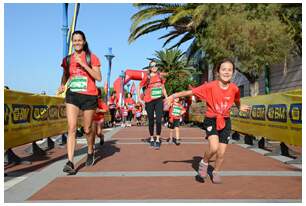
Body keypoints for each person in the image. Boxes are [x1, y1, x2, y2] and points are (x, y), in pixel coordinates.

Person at [166, 58, 250, 183]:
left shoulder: (234, 88)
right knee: (214, 148)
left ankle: (216, 172)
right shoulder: (210, 86)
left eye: (230, 70)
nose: (226, 72)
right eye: (223, 69)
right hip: (211, 120)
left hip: (225, 120)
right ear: (218, 72)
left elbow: (236, 100)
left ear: (233, 73)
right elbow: (191, 91)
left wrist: (240, 106)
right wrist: (174, 95)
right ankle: (204, 162)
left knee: (221, 153)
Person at [57, 30, 102, 175]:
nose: (77, 42)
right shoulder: (67, 59)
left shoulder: (91, 57)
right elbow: (65, 75)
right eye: (74, 40)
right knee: (71, 127)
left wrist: (84, 65)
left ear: (84, 41)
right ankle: (70, 162)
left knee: (87, 129)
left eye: (79, 40)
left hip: (89, 96)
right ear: (72, 42)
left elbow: (99, 77)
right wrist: (62, 84)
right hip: (72, 95)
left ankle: (90, 150)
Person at [137, 60, 168, 150]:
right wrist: (139, 99)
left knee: (158, 120)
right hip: (149, 101)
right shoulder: (147, 77)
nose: (154, 67)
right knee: (151, 120)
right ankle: (151, 138)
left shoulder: (160, 76)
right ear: (150, 68)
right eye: (152, 65)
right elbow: (139, 87)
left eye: (156, 65)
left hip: (159, 100)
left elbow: (163, 87)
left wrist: (167, 97)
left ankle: (157, 139)